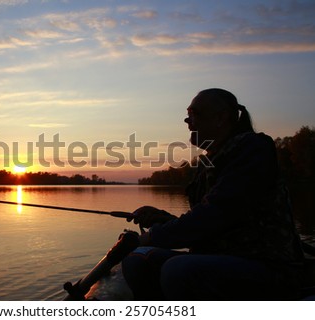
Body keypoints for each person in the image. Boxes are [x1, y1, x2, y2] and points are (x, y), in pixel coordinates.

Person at [122, 88, 304, 300]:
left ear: (221, 118)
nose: (187, 121)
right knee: (136, 261)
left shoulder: (253, 148)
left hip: (268, 267)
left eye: (194, 114)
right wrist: (162, 220)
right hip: (219, 258)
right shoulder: (208, 161)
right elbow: (211, 224)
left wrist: (154, 236)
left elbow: (218, 212)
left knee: (178, 270)